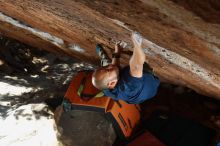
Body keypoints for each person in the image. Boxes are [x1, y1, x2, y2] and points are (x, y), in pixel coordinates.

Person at [92, 32, 160, 104]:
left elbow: (114, 68)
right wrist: (137, 44)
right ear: (112, 83)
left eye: (105, 67)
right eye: (108, 70)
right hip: (150, 85)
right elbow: (136, 65)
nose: (110, 66)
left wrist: (117, 53)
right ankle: (104, 59)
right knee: (139, 63)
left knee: (111, 68)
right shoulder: (129, 86)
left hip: (135, 93)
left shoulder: (107, 88)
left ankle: (104, 59)